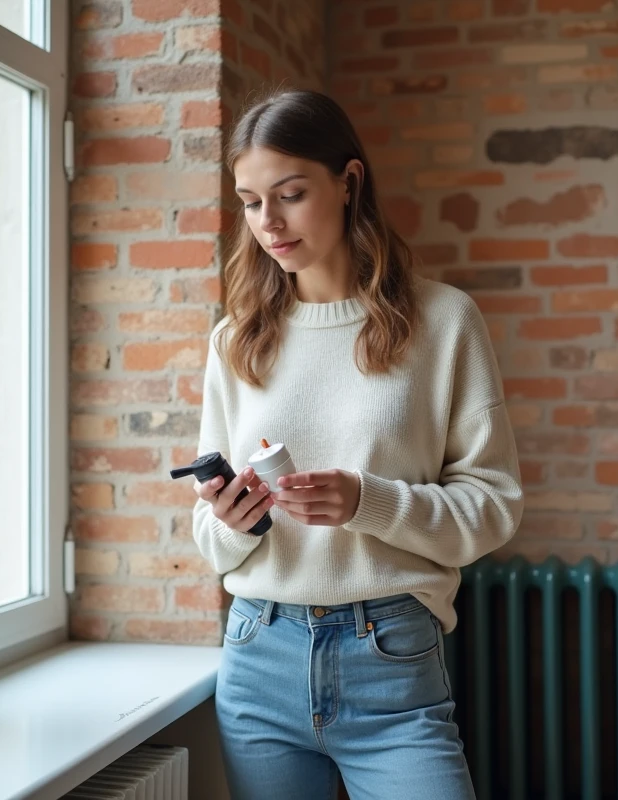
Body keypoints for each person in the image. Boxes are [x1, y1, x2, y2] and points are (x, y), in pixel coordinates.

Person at [190, 88, 523, 800]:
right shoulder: (235, 340)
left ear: (348, 181)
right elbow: (207, 537)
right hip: (258, 658)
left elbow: (494, 508)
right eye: (250, 202)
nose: (268, 223)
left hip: (393, 656)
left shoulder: (444, 322)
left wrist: (367, 502)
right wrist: (230, 523)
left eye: (289, 194)